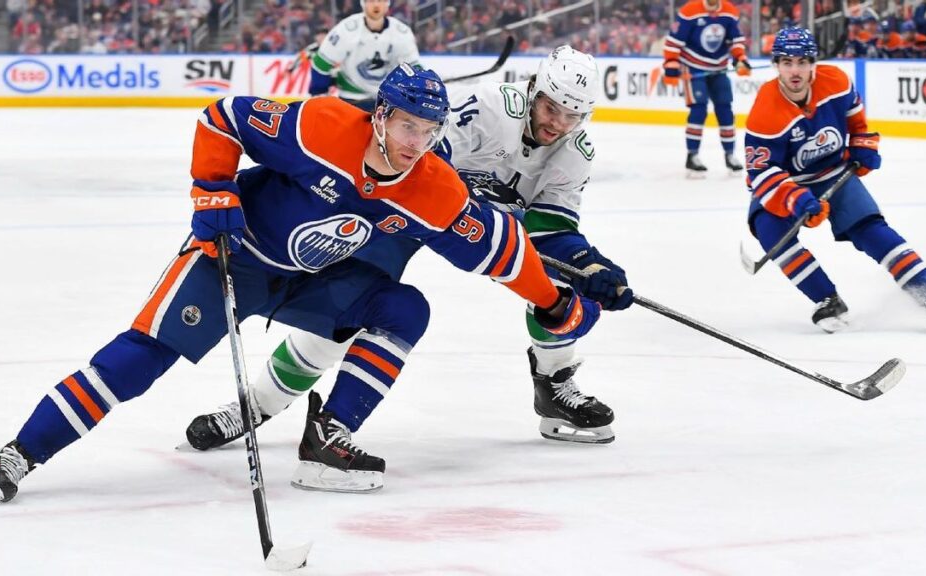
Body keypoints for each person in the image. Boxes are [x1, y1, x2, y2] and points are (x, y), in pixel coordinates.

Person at [0, 64, 608, 503]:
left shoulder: (432, 187)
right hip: (234, 257)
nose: (418, 142)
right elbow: (222, 117)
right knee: (139, 360)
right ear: (381, 116)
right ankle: (17, 456)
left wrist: (551, 300)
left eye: (429, 131)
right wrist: (212, 191)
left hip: (314, 278)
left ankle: (329, 444)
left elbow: (497, 247)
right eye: (408, 125)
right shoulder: (320, 126)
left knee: (404, 308)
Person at [184, 46, 635, 493]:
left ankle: (553, 385)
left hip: (473, 227)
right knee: (343, 310)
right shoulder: (494, 108)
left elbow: (552, 226)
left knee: (560, 290)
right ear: (534, 89)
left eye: (571, 116)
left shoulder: (577, 150)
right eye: (551, 106)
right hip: (401, 211)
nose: (557, 122)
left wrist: (588, 264)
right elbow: (420, 157)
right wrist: (474, 196)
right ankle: (256, 406)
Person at [743, 27, 926, 332]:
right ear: (776, 65)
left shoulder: (836, 82)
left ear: (814, 62)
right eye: (787, 62)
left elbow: (856, 122)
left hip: (834, 172)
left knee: (870, 229)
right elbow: (762, 172)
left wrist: (863, 145)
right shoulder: (765, 111)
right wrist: (796, 199)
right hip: (787, 182)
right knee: (769, 231)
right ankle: (827, 299)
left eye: (802, 61)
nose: (795, 70)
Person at [662, 0, 751, 176]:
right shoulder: (690, 11)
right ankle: (692, 155)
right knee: (699, 109)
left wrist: (739, 58)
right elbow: (673, 41)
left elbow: (736, 40)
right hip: (693, 67)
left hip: (719, 68)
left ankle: (730, 154)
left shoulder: (729, 11)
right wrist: (671, 63)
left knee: (725, 110)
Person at [309, 0, 419, 111]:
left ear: (387, 3)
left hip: (388, 101)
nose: (376, 5)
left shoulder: (402, 33)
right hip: (352, 100)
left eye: (381, 0)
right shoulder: (346, 30)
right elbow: (321, 63)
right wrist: (320, 98)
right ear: (363, 3)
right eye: (371, 1)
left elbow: (414, 71)